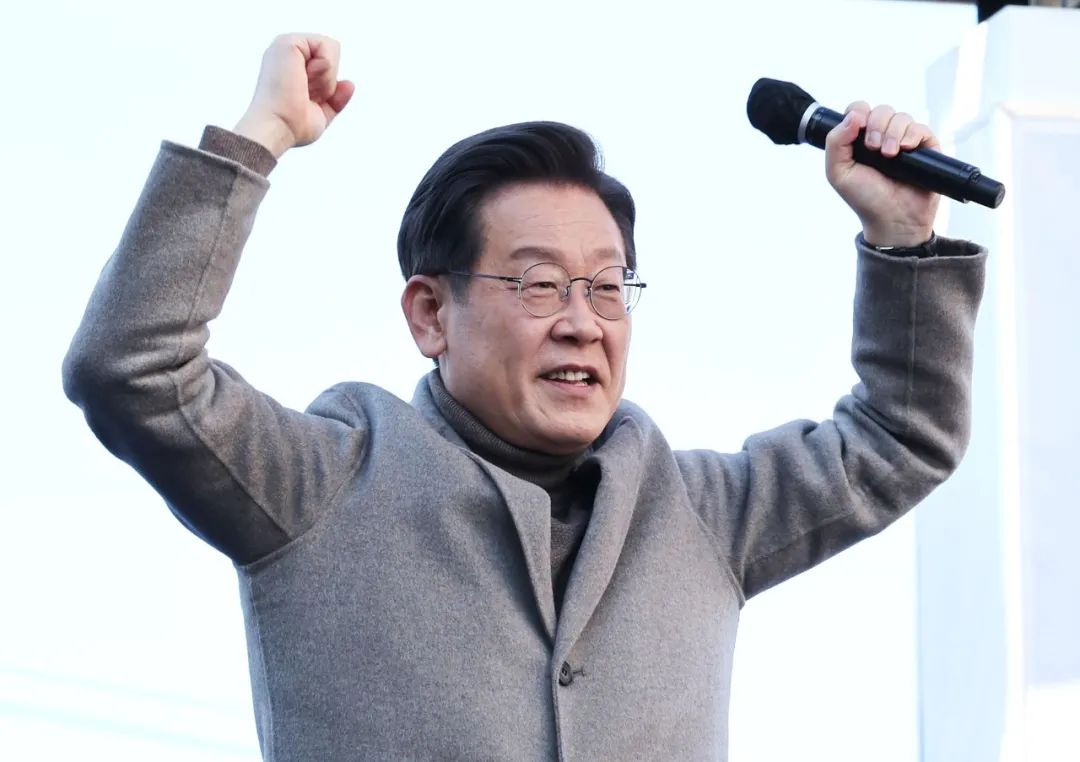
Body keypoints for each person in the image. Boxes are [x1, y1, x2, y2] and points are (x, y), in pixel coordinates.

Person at [63, 33, 986, 761]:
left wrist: (903, 239)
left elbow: (901, 437)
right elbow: (132, 368)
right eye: (539, 285)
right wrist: (259, 135)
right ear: (430, 314)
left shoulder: (700, 514)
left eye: (608, 287)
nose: (583, 323)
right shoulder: (326, 484)